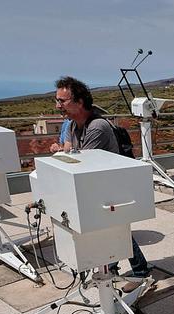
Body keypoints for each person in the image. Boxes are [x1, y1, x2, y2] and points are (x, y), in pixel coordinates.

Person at [53, 76, 150, 292]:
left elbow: (82, 162)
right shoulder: (72, 126)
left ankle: (140, 273)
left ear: (79, 102)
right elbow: (71, 154)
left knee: (116, 230)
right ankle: (116, 266)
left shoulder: (96, 127)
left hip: (109, 187)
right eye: (57, 100)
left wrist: (64, 154)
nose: (58, 105)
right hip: (97, 185)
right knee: (111, 230)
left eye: (62, 101)